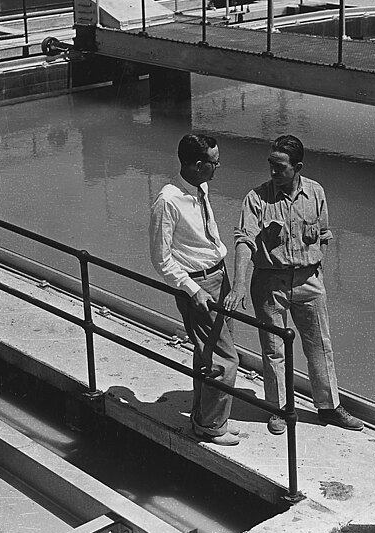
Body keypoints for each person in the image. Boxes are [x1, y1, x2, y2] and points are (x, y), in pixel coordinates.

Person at [225, 134, 363, 435]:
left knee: (320, 345)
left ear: (297, 167)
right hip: (269, 283)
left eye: (280, 167)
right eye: (270, 165)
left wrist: (316, 270)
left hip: (308, 281)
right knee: (274, 348)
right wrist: (239, 285)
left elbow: (324, 234)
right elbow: (244, 241)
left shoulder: (316, 193)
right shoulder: (256, 198)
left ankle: (329, 407)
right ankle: (279, 408)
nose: (273, 172)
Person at [149, 134, 241, 446]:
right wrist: (192, 290)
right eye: (214, 163)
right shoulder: (168, 201)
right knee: (224, 359)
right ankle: (210, 427)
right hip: (198, 285)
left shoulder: (202, 187)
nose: (219, 167)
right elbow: (161, 259)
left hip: (219, 275)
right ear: (198, 165)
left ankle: (207, 416)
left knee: (208, 353)